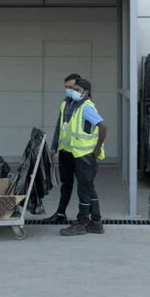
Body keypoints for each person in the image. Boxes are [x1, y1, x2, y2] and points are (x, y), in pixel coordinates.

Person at [59, 77, 107, 236]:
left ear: (86, 92)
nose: (73, 91)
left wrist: (98, 147)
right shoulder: (75, 105)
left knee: (84, 191)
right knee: (89, 188)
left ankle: (82, 222)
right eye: (73, 89)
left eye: (77, 90)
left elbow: (103, 126)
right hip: (80, 154)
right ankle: (96, 222)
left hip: (86, 155)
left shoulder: (86, 107)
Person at [42, 73, 83, 225]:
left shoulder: (84, 106)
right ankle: (60, 213)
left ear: (80, 88)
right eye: (66, 87)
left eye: (72, 87)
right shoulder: (65, 104)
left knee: (84, 187)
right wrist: (54, 147)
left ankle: (86, 217)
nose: (69, 90)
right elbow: (60, 126)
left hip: (80, 153)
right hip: (66, 152)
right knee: (66, 184)